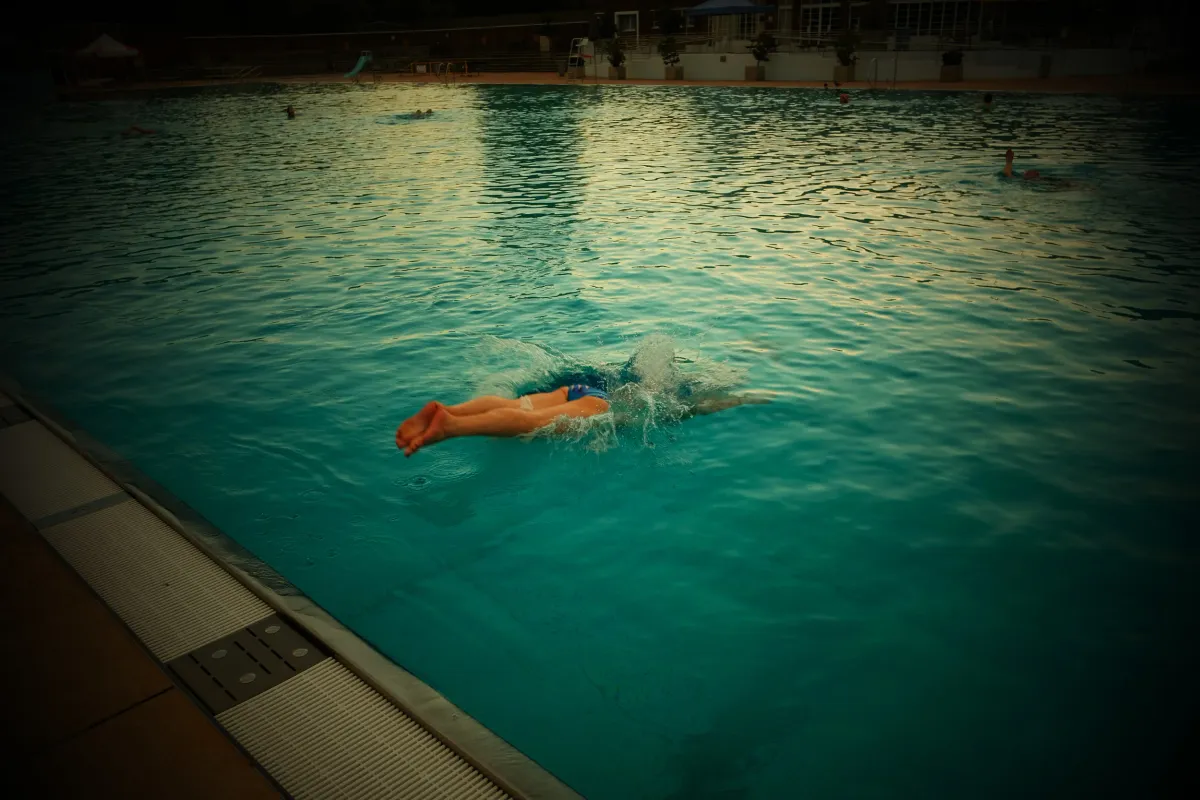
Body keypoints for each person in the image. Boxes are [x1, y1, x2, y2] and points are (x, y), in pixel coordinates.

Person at [396, 382, 767, 457]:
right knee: (534, 423)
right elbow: (698, 407)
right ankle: (453, 425)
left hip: (575, 389)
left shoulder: (636, 386)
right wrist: (743, 400)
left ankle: (454, 409)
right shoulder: (667, 406)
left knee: (519, 406)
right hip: (596, 404)